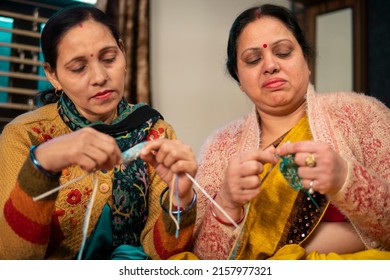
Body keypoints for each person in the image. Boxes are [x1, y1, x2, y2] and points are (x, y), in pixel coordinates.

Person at [192, 3, 390, 260]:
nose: (270, 65)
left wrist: (345, 179)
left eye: (283, 52)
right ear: (239, 79)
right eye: (253, 59)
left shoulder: (364, 115)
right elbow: (203, 264)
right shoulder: (220, 147)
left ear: (306, 61)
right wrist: (228, 203)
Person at [0, 4, 197, 260]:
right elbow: (13, 261)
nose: (100, 76)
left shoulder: (155, 132)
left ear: (123, 52)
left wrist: (181, 198)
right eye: (78, 67)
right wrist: (42, 165)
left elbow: (161, 257)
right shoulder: (26, 136)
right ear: (53, 75)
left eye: (108, 58)